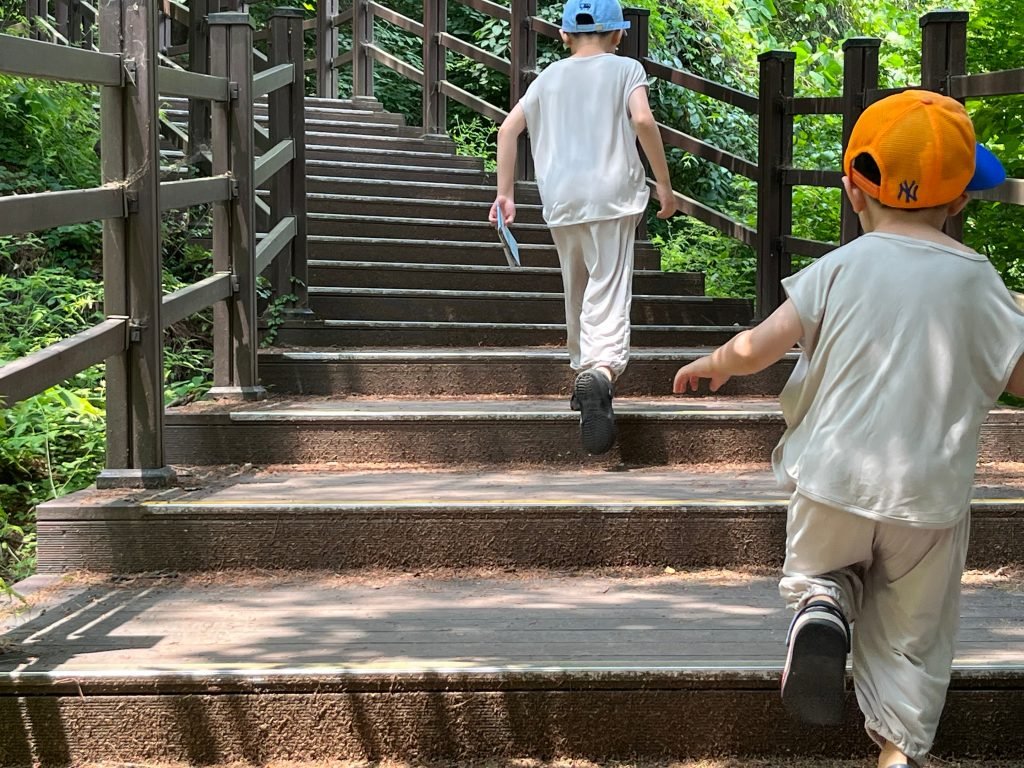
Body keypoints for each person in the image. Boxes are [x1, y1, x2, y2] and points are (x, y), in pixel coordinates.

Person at [673, 89, 1022, 768]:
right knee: (912, 642)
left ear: (852, 193)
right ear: (959, 201)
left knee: (825, 568)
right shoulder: (979, 282)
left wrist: (714, 365)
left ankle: (823, 601)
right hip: (927, 500)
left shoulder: (835, 269)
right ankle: (897, 750)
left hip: (832, 478)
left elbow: (756, 346)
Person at [489, 0, 675, 455]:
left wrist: (506, 193)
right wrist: (664, 185)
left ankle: (584, 370)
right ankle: (600, 370)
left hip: (563, 198)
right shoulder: (626, 69)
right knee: (607, 288)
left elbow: (507, 131)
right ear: (618, 35)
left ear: (565, 35)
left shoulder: (547, 79)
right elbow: (643, 120)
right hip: (612, 196)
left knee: (577, 288)